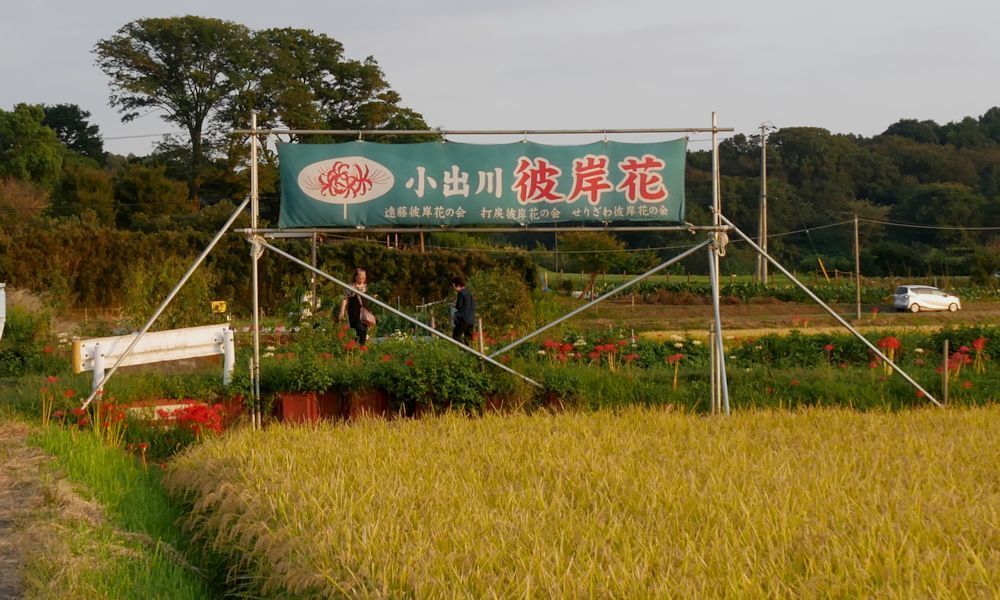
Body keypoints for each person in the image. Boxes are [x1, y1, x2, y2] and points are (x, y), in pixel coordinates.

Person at [338, 268, 369, 345]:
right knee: (359, 329)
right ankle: (355, 344)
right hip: (354, 313)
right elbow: (345, 299)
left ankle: (361, 348)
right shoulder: (350, 287)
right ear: (356, 277)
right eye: (361, 277)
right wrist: (342, 311)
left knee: (364, 330)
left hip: (364, 313)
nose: (362, 279)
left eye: (364, 277)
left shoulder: (365, 287)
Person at [452, 275, 476, 345]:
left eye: (454, 286)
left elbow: (459, 306)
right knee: (468, 339)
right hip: (471, 319)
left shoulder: (461, 293)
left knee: (455, 335)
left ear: (458, 285)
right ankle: (470, 353)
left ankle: (464, 350)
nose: (454, 288)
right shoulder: (469, 292)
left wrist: (453, 304)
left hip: (464, 319)